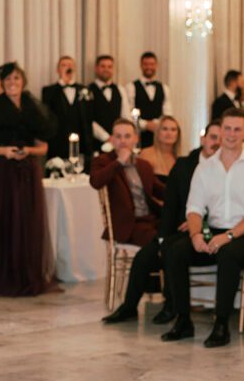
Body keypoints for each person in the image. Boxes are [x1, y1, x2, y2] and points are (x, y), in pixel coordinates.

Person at [102, 120, 221, 326]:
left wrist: (200, 223)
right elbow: (171, 204)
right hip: (180, 227)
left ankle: (171, 305)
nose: (216, 143)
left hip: (211, 230)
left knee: (173, 252)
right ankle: (129, 307)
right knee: (146, 255)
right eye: (212, 137)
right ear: (202, 139)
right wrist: (163, 236)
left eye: (220, 138)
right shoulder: (184, 165)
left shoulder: (229, 168)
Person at [0, 62, 55, 297]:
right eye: (8, 80)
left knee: (26, 223)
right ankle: (1, 277)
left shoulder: (31, 106)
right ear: (2, 83)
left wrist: (28, 151)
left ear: (23, 81)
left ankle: (25, 275)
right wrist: (4, 151)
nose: (13, 83)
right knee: (3, 221)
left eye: (17, 79)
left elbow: (43, 146)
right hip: (1, 172)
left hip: (27, 171)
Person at [161, 108, 244, 347]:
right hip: (213, 229)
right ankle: (183, 320)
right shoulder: (205, 168)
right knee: (176, 250)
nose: (230, 134)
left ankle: (221, 325)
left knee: (228, 254)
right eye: (227, 128)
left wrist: (227, 236)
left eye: (237, 129)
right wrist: (197, 235)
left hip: (240, 233)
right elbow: (194, 208)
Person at [89, 118, 164, 247]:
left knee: (177, 235)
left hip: (151, 220)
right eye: (118, 136)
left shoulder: (143, 165)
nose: (123, 141)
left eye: (127, 136)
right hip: (128, 224)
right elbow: (96, 182)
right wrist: (119, 162)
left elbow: (161, 191)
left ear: (135, 139)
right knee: (159, 241)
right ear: (112, 140)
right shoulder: (103, 161)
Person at [41, 55, 93, 164]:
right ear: (58, 70)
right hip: (57, 143)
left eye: (70, 65)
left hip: (81, 144)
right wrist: (63, 82)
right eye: (63, 65)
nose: (67, 67)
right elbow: (45, 115)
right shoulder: (48, 91)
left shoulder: (84, 89)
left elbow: (89, 117)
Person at [126, 52, 173, 149]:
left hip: (159, 135)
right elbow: (128, 111)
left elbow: (168, 113)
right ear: (141, 65)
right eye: (146, 64)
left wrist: (157, 124)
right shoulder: (131, 87)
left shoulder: (164, 88)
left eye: (152, 64)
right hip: (138, 135)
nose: (149, 67)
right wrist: (145, 125)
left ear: (156, 65)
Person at [87, 55, 131, 152]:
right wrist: (107, 138)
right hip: (96, 144)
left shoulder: (120, 89)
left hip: (120, 143)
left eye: (109, 66)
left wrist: (124, 136)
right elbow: (88, 120)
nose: (106, 69)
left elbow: (126, 115)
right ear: (96, 68)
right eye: (103, 66)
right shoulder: (87, 90)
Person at [139, 114, 181, 182]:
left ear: (178, 134)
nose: (169, 133)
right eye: (165, 129)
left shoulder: (178, 159)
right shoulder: (146, 154)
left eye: (173, 130)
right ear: (157, 132)